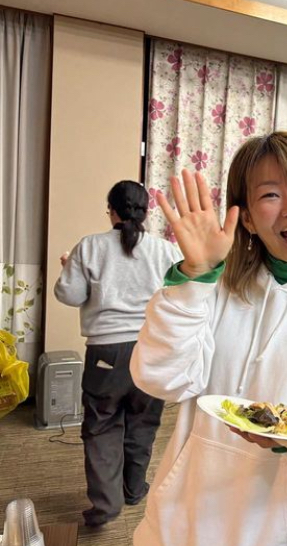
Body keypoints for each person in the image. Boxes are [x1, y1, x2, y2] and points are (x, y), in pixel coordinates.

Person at [130, 132, 287, 546]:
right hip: (183, 519)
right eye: (270, 195)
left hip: (279, 528)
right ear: (246, 218)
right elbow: (161, 378)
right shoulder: (217, 288)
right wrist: (194, 278)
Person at [54, 180, 181, 527]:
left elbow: (69, 295)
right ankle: (133, 490)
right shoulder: (165, 250)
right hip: (153, 348)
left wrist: (69, 267)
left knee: (102, 426)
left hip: (105, 354)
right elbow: (183, 295)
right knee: (143, 422)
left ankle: (107, 505)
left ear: (111, 210)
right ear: (146, 211)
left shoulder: (89, 246)